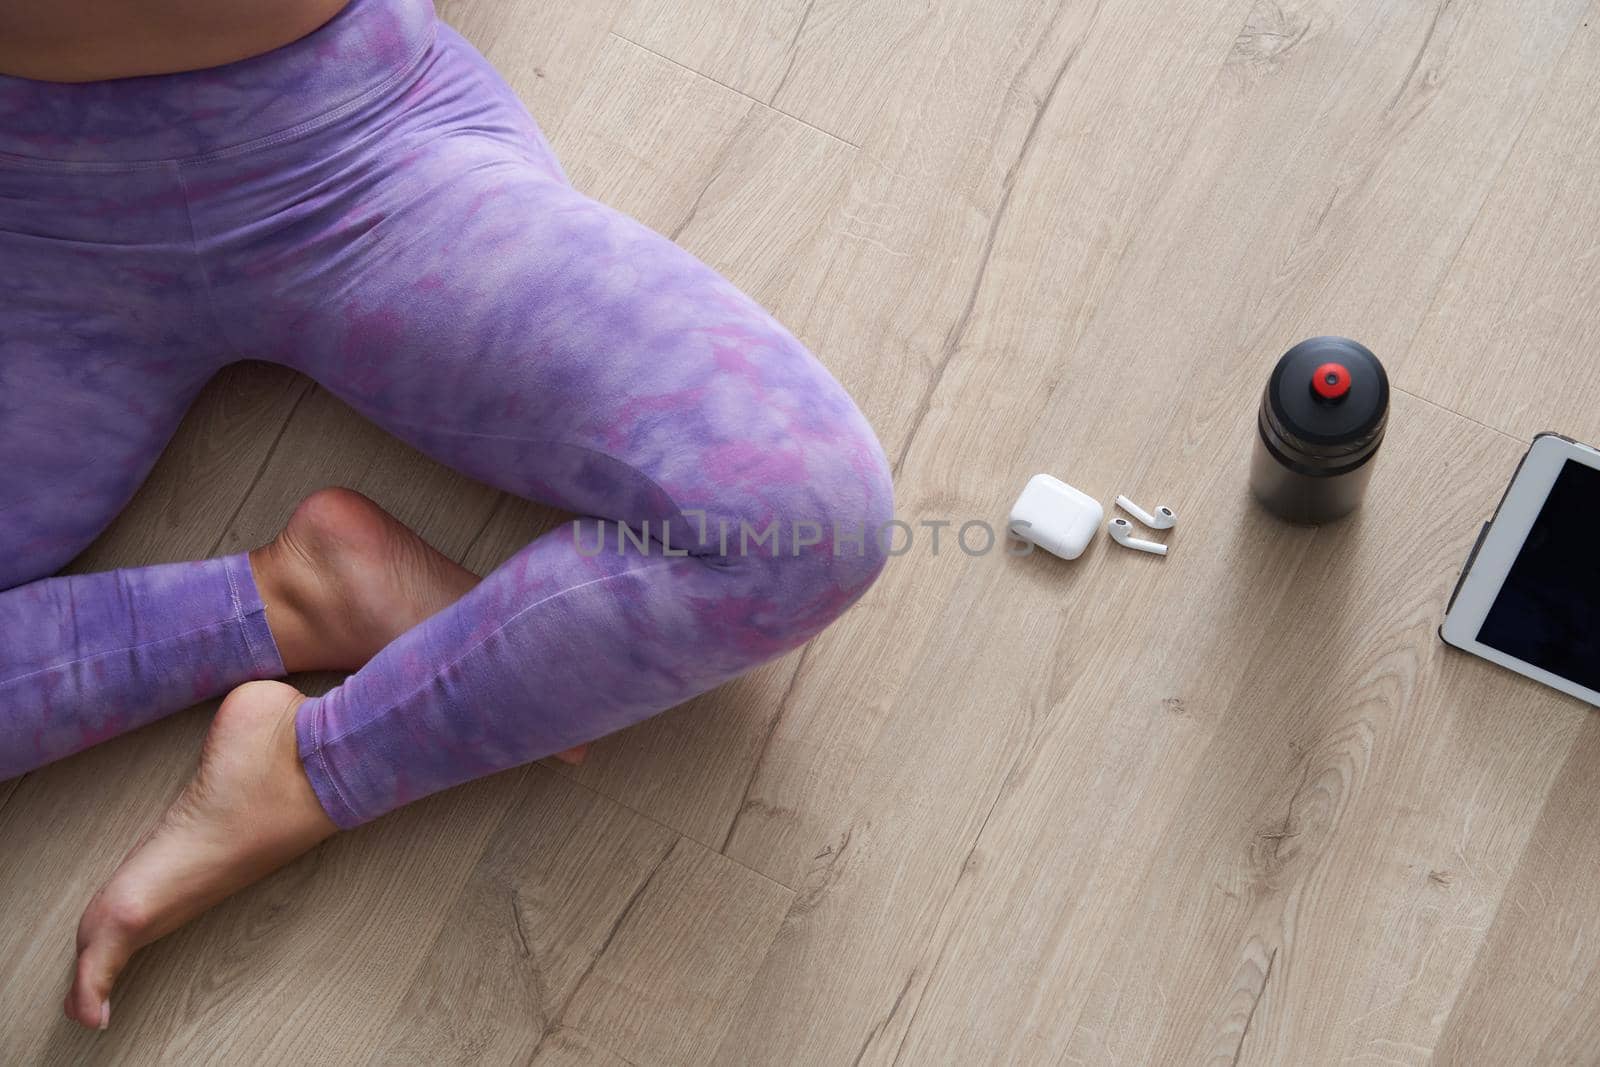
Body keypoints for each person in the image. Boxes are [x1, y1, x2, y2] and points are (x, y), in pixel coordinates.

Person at [0, 0, 893, 1031]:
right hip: (33, 225)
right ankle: (296, 598)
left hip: (352, 148)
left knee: (798, 517)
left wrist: (344, 762)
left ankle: (301, 767)